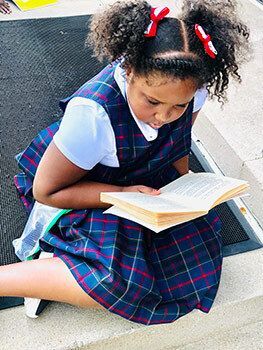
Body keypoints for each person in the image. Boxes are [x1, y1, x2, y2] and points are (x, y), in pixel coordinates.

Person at [1, 0, 250, 325]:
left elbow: (177, 142)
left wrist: (185, 185)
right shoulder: (93, 114)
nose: (164, 116)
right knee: (116, 282)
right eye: (152, 101)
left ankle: (67, 266)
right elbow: (47, 192)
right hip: (84, 185)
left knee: (196, 250)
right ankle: (21, 274)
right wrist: (121, 194)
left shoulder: (190, 90)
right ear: (128, 70)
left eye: (178, 106)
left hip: (141, 182)